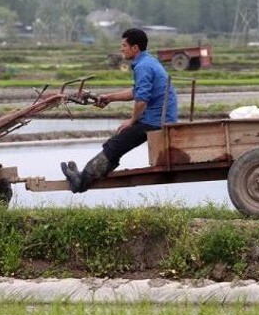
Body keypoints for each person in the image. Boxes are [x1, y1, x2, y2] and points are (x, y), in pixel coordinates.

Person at [60, 28, 178, 193]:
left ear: (135, 48)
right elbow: (135, 92)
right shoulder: (148, 62)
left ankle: (80, 182)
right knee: (117, 142)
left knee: (115, 145)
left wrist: (132, 121)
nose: (121, 49)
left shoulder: (143, 66)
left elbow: (141, 100)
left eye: (124, 45)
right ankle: (86, 175)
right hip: (158, 116)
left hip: (155, 120)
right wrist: (109, 97)